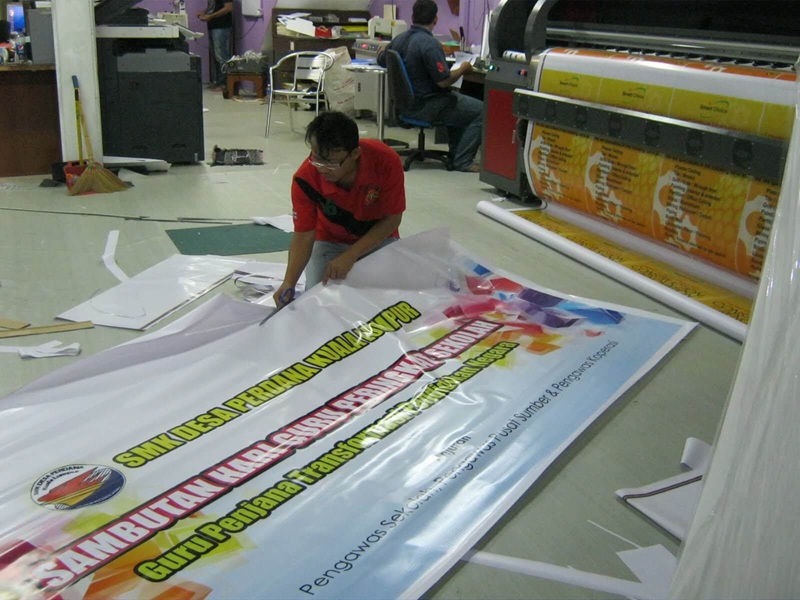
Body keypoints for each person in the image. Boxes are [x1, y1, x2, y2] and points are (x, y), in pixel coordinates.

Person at [273, 111, 406, 307]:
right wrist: (289, 282)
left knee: (391, 299)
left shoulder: (385, 161)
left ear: (355, 154)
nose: (322, 168)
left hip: (378, 238)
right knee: (319, 299)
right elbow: (304, 236)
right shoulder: (305, 179)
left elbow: (392, 219)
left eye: (331, 163)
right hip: (330, 240)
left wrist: (351, 255)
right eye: (317, 159)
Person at [377, 0, 484, 173]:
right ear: (435, 19)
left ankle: (456, 154)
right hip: (428, 106)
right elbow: (443, 81)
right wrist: (463, 68)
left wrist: (380, 53)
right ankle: (463, 161)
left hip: (405, 106)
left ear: (413, 16)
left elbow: (382, 59)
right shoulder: (429, 44)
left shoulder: (399, 39)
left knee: (460, 103)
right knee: (481, 111)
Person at [198, 0, 233, 90]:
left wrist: (210, 16)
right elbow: (214, 7)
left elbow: (228, 8)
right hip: (213, 26)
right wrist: (205, 12)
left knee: (221, 56)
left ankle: (224, 83)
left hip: (221, 27)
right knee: (215, 56)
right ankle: (217, 82)